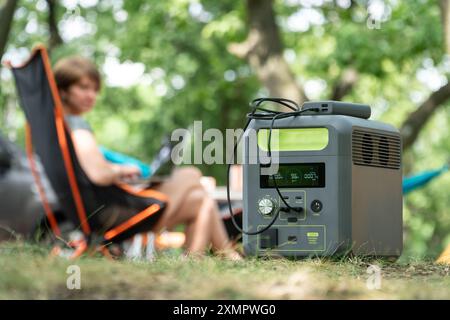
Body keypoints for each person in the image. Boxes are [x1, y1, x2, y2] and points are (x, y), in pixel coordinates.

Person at [53, 56, 241, 260]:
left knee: (201, 200)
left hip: (98, 211)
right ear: (63, 90)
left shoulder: (58, 128)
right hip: (112, 216)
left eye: (94, 90)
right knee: (191, 174)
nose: (91, 95)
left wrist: (116, 174)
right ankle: (224, 256)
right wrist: (121, 169)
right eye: (83, 87)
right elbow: (99, 174)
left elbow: (87, 174)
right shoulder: (76, 125)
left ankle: (206, 260)